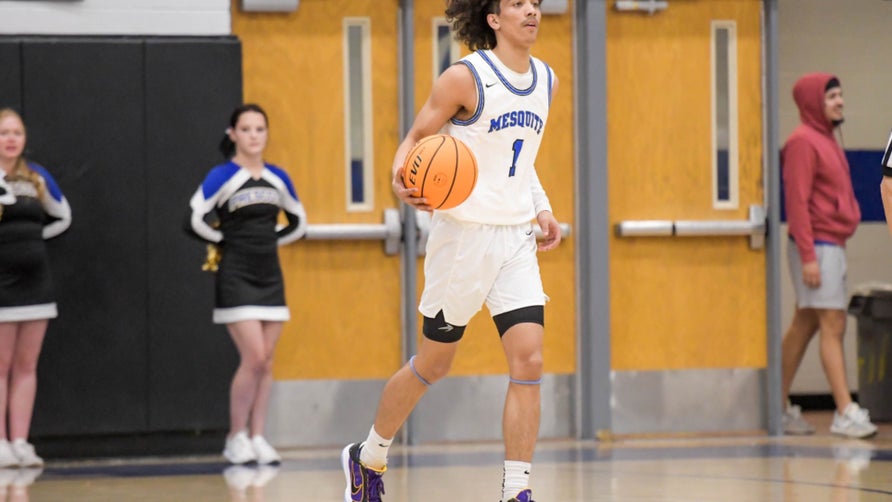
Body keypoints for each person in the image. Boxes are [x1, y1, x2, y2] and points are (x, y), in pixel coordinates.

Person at [341, 2, 560, 501]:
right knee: (433, 364)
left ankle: (516, 491)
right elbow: (417, 138)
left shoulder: (547, 79)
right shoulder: (465, 78)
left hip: (515, 240)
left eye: (536, 3)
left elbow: (519, 159)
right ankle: (368, 456)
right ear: (493, 18)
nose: (531, 10)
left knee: (529, 361)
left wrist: (541, 208)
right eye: (518, 3)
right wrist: (402, 178)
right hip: (462, 239)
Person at [186, 104, 307, 465]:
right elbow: (192, 218)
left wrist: (269, 243)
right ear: (233, 134)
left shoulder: (278, 177)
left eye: (260, 129)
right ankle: (234, 436)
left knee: (266, 361)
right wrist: (225, 242)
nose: (254, 135)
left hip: (270, 275)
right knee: (253, 357)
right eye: (247, 129)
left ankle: (257, 436)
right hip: (236, 276)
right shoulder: (222, 176)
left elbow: (298, 222)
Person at [780, 74, 877, 439]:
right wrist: (808, 256)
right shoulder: (803, 142)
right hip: (817, 245)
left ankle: (776, 407)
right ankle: (843, 410)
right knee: (833, 323)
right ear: (812, 103)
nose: (840, 102)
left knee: (805, 324)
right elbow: (798, 203)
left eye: (840, 95)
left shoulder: (826, 139)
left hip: (829, 243)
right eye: (831, 96)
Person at [0, 107, 72, 467]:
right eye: (3, 132)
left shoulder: (36, 176)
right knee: (1, 364)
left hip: (36, 283)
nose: (11, 139)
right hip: (2, 285)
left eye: (16, 132)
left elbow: (63, 216)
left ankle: (20, 441)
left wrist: (34, 240)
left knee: (27, 364)